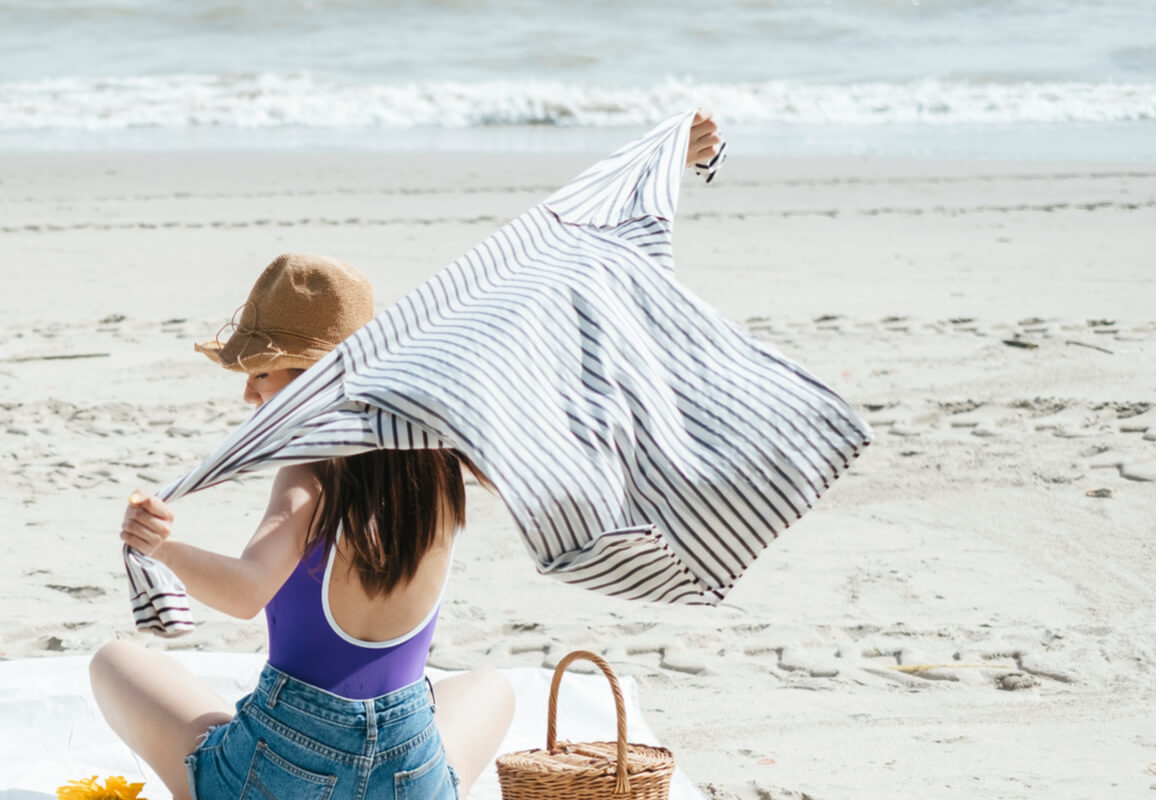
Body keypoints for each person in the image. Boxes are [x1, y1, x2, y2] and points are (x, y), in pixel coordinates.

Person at [89, 111, 724, 800]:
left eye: (262, 371)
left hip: (282, 771)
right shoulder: (442, 459)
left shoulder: (307, 472)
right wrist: (662, 163)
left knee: (115, 662)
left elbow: (246, 593)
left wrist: (164, 547)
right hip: (407, 773)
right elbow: (532, 282)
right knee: (491, 688)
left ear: (308, 376)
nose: (248, 392)